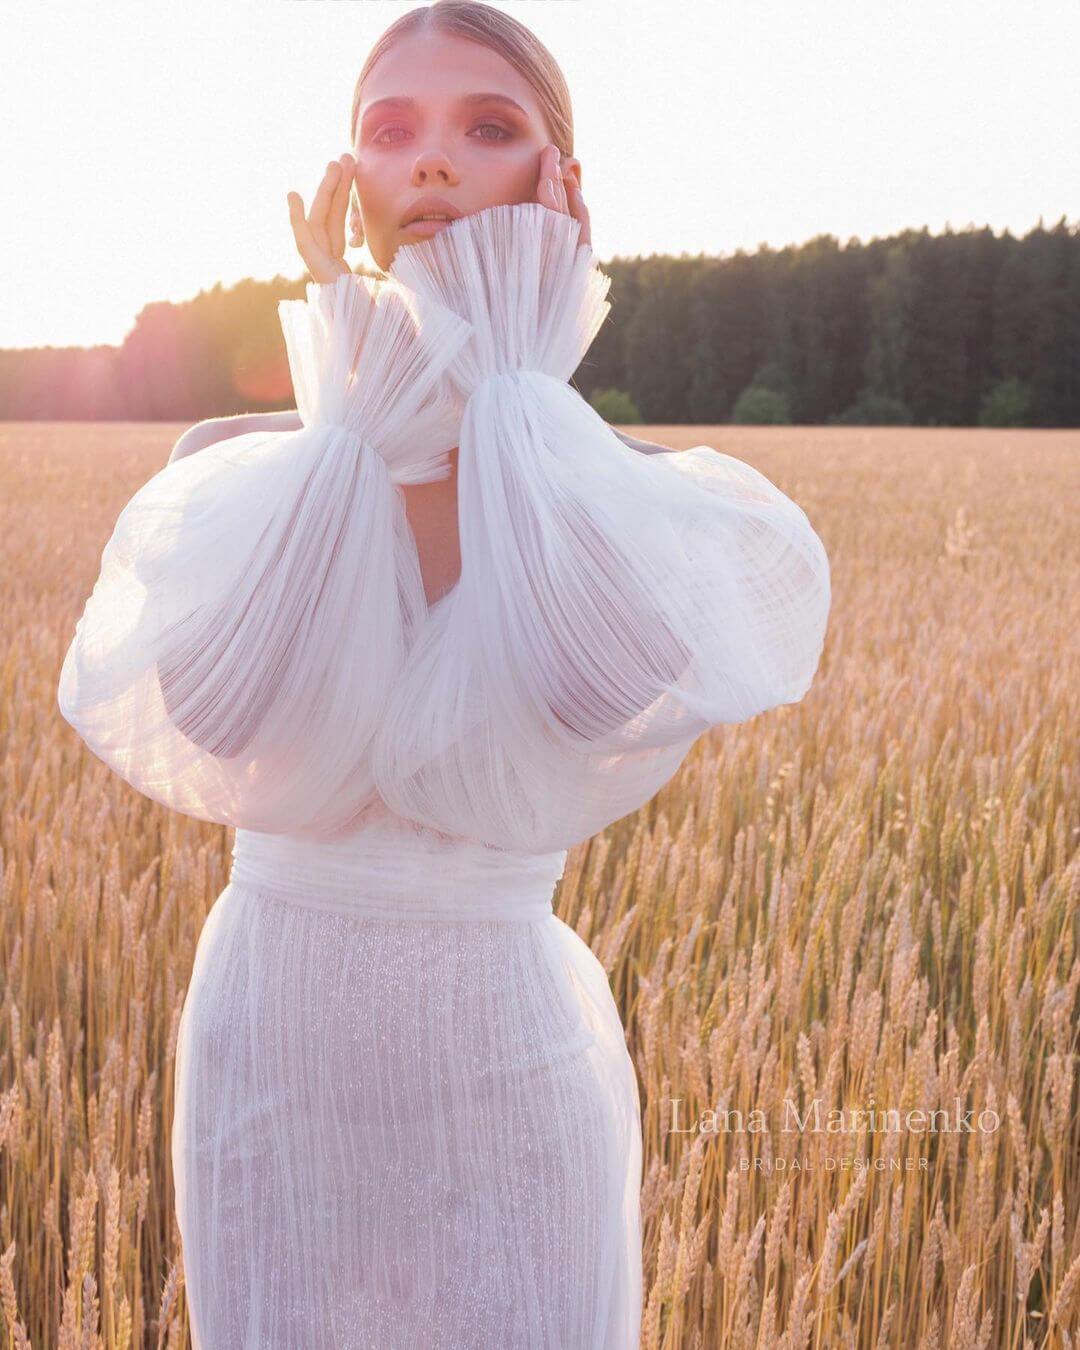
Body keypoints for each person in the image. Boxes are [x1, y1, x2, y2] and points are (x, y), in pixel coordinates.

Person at [57, 3, 831, 1346]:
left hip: (503, 1055)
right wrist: (352, 400)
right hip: (273, 1052)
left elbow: (592, 694)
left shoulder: (617, 494)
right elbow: (220, 717)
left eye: (489, 128)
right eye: (391, 129)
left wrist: (522, 380)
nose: (432, 161)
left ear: (559, 181)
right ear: (348, 187)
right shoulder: (235, 463)